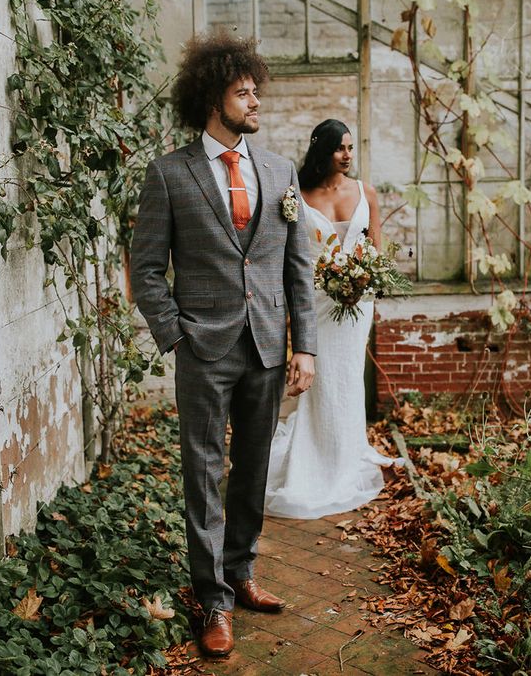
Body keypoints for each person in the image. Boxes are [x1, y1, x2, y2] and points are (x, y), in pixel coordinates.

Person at [129, 33, 317, 658]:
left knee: (253, 468)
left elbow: (297, 267)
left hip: (265, 344)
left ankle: (241, 574)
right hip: (203, 348)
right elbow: (146, 266)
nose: (255, 99)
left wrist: (305, 345)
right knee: (204, 471)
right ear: (214, 98)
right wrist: (173, 332)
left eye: (255, 89)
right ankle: (211, 600)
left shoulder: (280, 171)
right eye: (244, 92)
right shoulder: (169, 173)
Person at [264, 119, 401, 520]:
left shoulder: (365, 192)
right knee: (321, 380)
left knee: (346, 376)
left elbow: (376, 250)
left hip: (358, 305)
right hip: (317, 303)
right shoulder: (297, 197)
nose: (348, 156)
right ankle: (317, 457)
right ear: (323, 150)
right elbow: (289, 257)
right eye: (341, 148)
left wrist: (367, 282)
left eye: (351, 148)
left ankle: (346, 452)